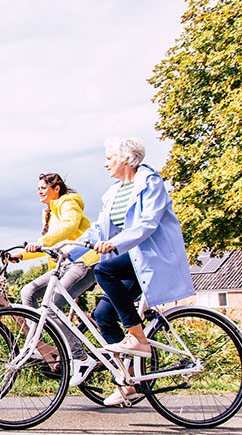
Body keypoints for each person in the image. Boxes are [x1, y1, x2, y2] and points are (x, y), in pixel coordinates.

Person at [66, 137, 195, 406]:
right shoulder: (113, 192)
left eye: (109, 158)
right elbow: (98, 231)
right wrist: (66, 249)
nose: (105, 164)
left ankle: (138, 337)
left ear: (125, 158)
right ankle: (127, 383)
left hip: (152, 257)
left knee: (104, 270)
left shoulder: (150, 182)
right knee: (102, 315)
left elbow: (148, 223)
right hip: (132, 259)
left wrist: (115, 242)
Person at [11, 173, 100, 387]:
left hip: (84, 262)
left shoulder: (69, 203)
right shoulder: (49, 212)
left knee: (51, 307)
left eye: (43, 187)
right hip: (64, 265)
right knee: (28, 292)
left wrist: (39, 242)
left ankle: (80, 357)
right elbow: (48, 247)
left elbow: (68, 228)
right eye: (38, 188)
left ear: (56, 188)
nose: (40, 191)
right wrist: (22, 254)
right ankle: (36, 344)